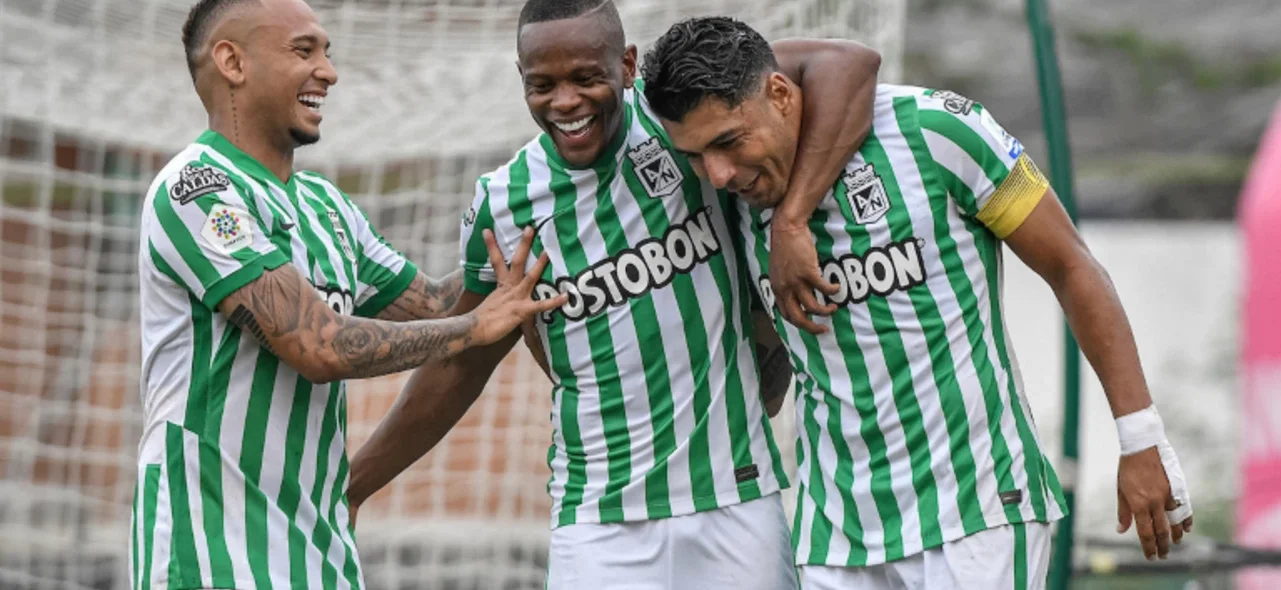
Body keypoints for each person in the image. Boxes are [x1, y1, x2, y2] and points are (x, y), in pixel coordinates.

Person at [641, 16, 1195, 590]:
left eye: (729, 142)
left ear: (779, 93)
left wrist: (1140, 439)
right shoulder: (732, 195)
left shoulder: (937, 130)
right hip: (836, 532)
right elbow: (769, 344)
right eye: (698, 155)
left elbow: (1072, 266)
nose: (719, 172)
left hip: (977, 512)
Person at [346, 0, 881, 587]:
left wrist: (791, 221)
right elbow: (465, 362)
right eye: (542, 85)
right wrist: (355, 487)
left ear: (628, 67)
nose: (566, 103)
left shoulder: (682, 122)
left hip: (737, 492)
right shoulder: (505, 201)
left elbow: (847, 62)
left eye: (586, 77)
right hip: (599, 519)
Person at [130, 0, 564, 588]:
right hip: (209, 544)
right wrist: (474, 328)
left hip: (319, 547)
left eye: (327, 52)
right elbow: (320, 347)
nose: (328, 71)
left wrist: (537, 213)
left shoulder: (325, 206)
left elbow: (439, 302)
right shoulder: (196, 188)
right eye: (303, 50)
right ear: (232, 61)